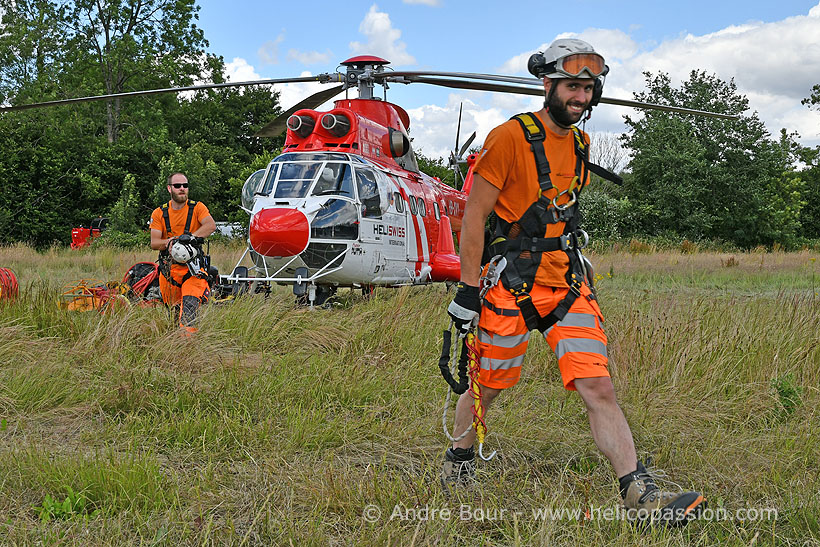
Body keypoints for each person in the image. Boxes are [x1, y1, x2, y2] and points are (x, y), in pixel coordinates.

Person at [443, 38, 705, 525]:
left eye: (587, 88)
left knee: (598, 387)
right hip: (510, 285)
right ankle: (458, 459)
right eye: (571, 87)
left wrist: (579, 266)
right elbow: (474, 217)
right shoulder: (508, 138)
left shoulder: (581, 143)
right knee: (489, 384)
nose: (580, 97)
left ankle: (638, 494)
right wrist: (467, 289)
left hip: (566, 285)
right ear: (548, 84)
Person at [150, 172, 216, 333]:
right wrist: (170, 242)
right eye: (177, 186)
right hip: (169, 273)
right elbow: (154, 242)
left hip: (193, 271)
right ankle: (176, 350)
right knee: (173, 315)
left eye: (185, 186)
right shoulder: (159, 213)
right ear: (169, 188)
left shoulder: (197, 208)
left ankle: (188, 349)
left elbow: (210, 225)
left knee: (189, 312)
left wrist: (190, 239)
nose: (182, 189)